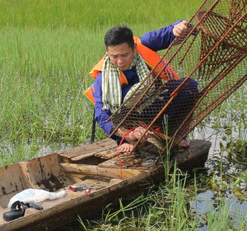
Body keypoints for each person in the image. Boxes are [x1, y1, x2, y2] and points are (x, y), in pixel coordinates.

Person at [85, 21, 199, 153]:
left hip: (153, 106)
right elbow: (101, 114)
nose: (120, 62)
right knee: (118, 108)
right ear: (107, 53)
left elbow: (167, 32)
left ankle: (174, 134)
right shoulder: (103, 78)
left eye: (124, 55)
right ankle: (128, 142)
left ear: (133, 48)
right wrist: (128, 134)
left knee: (189, 86)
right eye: (114, 56)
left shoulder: (144, 44)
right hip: (130, 120)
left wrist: (178, 27)